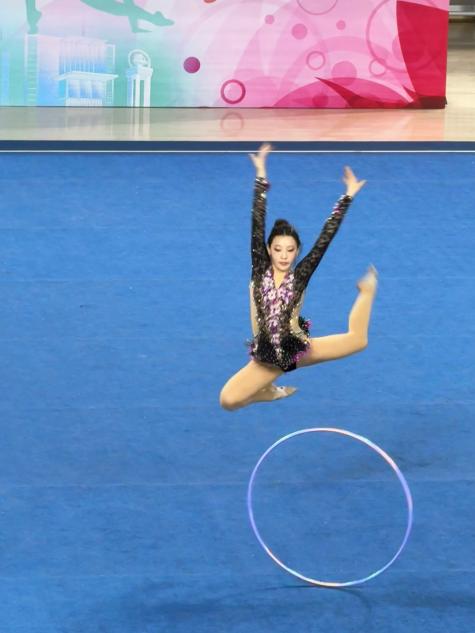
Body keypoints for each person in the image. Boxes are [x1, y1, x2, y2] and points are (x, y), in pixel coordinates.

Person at [219, 143, 377, 411]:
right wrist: (260, 173)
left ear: (297, 252)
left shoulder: (300, 275)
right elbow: (257, 222)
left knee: (358, 340)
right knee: (229, 401)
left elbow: (324, 239)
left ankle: (367, 291)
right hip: (268, 359)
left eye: (290, 250)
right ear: (268, 249)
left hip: (296, 350)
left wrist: (347, 196)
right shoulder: (259, 269)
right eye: (278, 249)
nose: (283, 255)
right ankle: (267, 392)